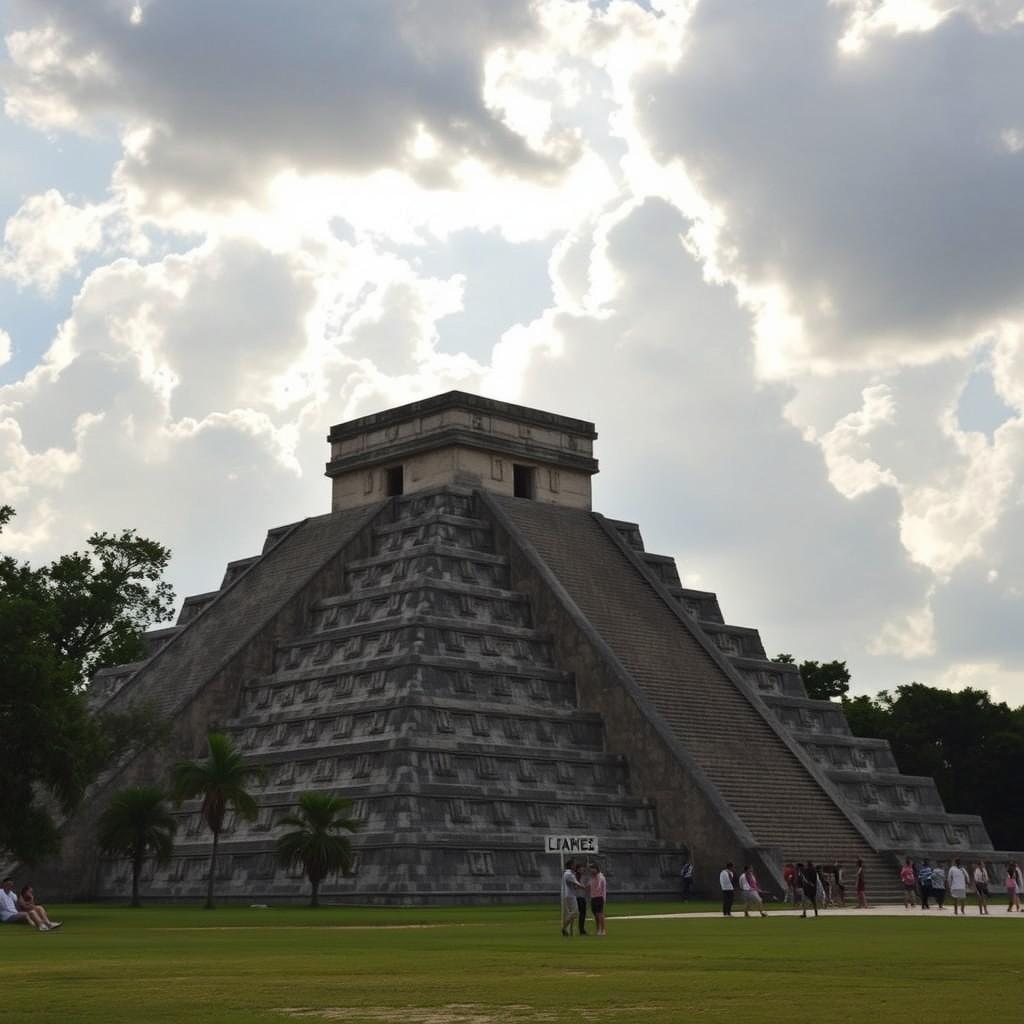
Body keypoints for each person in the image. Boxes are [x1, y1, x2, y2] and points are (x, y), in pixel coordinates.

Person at [561, 860, 585, 936]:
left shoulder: (570, 873)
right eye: (574, 865)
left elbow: (574, 885)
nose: (575, 866)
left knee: (573, 913)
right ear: (571, 866)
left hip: (570, 895)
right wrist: (583, 887)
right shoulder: (568, 874)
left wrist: (577, 887)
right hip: (570, 896)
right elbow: (576, 882)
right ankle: (564, 927)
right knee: (575, 912)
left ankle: (568, 929)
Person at [589, 863, 607, 936]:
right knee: (595, 915)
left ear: (596, 869)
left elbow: (600, 886)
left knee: (600, 914)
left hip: (599, 897)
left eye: (593, 869)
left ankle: (603, 930)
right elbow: (590, 886)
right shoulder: (592, 877)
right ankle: (598, 929)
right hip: (593, 897)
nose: (592, 870)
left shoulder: (600, 877)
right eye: (591, 869)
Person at [574, 863, 589, 935]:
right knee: (581, 913)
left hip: (582, 896)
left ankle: (581, 928)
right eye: (581, 868)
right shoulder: (575, 876)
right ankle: (581, 929)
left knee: (582, 913)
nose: (582, 869)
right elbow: (575, 886)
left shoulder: (583, 876)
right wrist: (582, 886)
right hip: (578, 896)